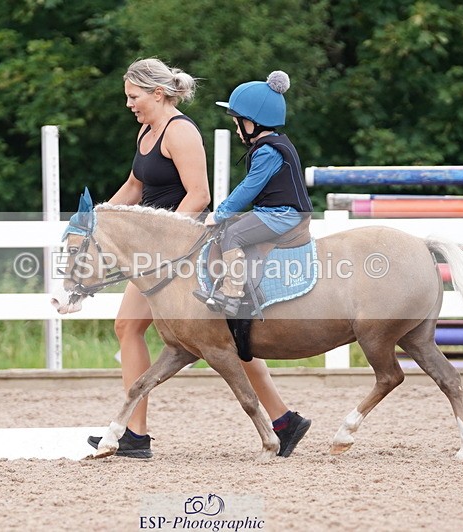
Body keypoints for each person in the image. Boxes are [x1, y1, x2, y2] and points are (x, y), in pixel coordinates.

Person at [85, 58, 311, 459]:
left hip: (176, 246)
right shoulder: (146, 131)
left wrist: (170, 247)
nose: (129, 104)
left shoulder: (181, 132)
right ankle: (282, 419)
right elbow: (135, 185)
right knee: (191, 333)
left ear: (158, 93)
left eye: (133, 97)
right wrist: (97, 217)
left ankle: (136, 435)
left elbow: (199, 196)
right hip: (153, 249)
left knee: (215, 336)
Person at [193, 70, 313, 317]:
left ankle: (232, 296)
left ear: (252, 122)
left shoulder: (268, 151)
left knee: (233, 235)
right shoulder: (270, 144)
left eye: (238, 122)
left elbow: (249, 187)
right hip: (274, 211)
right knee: (233, 228)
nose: (237, 129)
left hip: (282, 214)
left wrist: (220, 213)